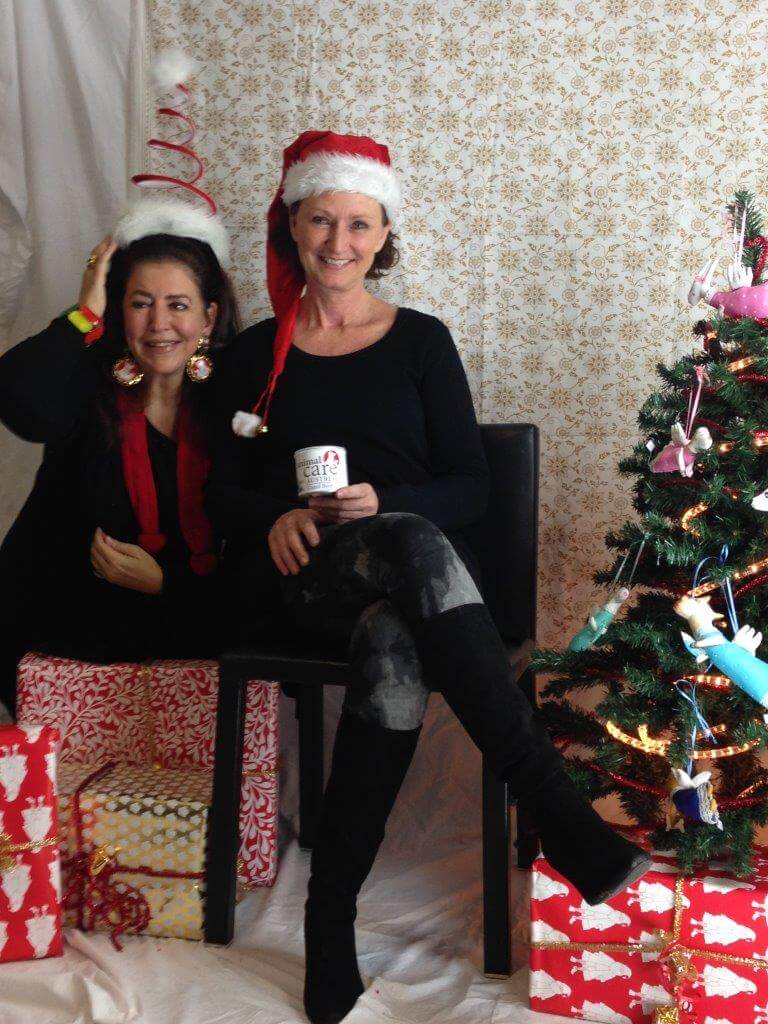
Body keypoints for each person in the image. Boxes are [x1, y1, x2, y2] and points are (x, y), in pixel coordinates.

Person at [210, 131, 651, 1024]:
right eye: (321, 220)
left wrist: (389, 501)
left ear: (383, 235)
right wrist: (275, 516)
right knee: (407, 549)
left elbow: (473, 485)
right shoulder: (257, 353)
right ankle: (557, 808)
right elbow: (219, 488)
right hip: (310, 581)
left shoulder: (420, 341)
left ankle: (328, 921)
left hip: (414, 583)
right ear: (293, 226)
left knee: (396, 641)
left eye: (358, 224)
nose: (338, 241)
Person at [0, 58, 239, 717]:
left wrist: (165, 584)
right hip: (69, 642)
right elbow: (19, 404)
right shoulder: (89, 389)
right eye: (139, 303)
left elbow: (253, 558)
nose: (159, 324)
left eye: (178, 305)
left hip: (190, 635)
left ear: (209, 317)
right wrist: (83, 314)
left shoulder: (236, 404)